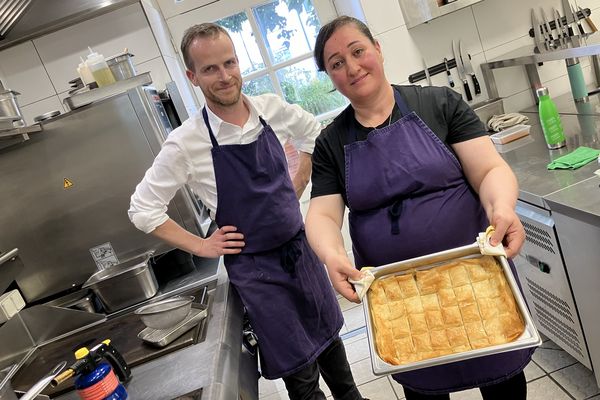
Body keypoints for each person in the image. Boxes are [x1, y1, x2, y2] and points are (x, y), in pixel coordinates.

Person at [129, 23, 366, 400]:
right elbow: (142, 209)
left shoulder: (270, 108)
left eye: (229, 63)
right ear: (192, 76)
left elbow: (311, 132)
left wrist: (300, 178)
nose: (224, 76)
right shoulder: (186, 142)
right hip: (258, 275)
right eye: (210, 69)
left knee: (335, 356)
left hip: (301, 255)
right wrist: (201, 245)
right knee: (302, 380)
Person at [305, 16, 533, 400]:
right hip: (400, 297)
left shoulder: (439, 103)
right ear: (331, 77)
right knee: (425, 385)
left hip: (476, 277)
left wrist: (502, 207)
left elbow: (489, 170)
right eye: (336, 63)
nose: (352, 67)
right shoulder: (331, 142)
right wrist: (331, 255)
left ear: (377, 48)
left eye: (357, 51)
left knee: (501, 376)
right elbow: (323, 214)